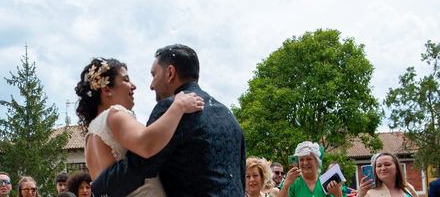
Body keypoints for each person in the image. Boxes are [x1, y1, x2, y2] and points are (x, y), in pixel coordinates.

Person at [91, 44, 246, 197]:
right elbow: (240, 175)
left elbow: (141, 165)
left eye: (154, 75)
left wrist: (98, 187)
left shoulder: (172, 108)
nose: (151, 86)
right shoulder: (230, 117)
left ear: (170, 73)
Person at [75, 56, 204, 196]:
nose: (133, 86)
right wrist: (179, 106)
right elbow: (147, 144)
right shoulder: (114, 114)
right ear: (107, 90)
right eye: (126, 80)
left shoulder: (90, 136)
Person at [278, 142, 342, 197]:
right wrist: (286, 186)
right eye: (301, 160)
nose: (305, 163)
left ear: (317, 161)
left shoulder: (326, 180)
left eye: (309, 159)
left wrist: (338, 195)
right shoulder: (293, 182)